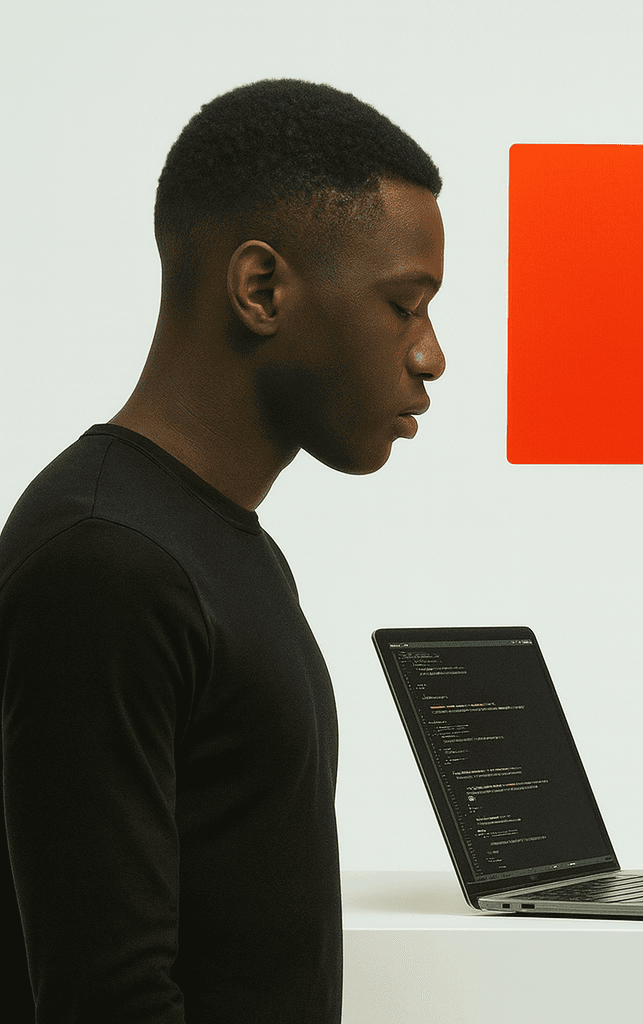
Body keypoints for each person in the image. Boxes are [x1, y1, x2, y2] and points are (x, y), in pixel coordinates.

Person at [0, 79, 445, 1022]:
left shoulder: (215, 545)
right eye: (405, 305)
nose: (430, 355)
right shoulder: (104, 562)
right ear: (261, 290)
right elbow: (106, 1000)